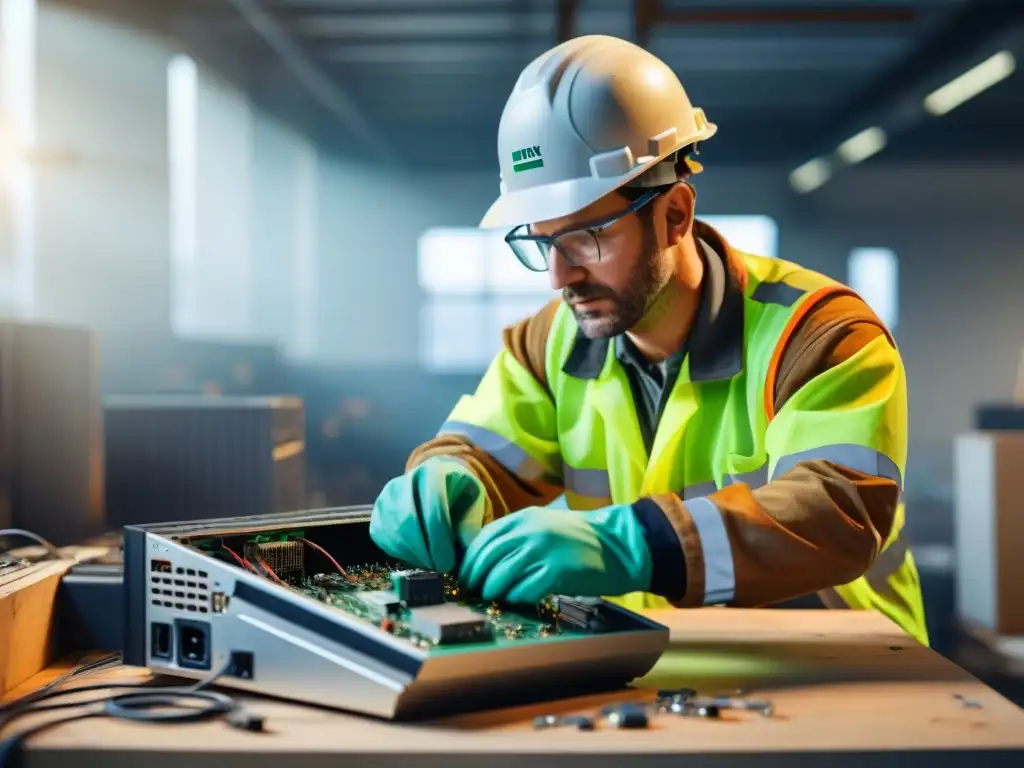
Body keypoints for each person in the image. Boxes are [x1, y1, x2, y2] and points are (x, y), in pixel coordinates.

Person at [370, 35, 928, 645]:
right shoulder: (549, 345)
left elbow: (836, 512)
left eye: (586, 237)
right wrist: (446, 478)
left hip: (848, 676)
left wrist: (638, 543)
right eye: (542, 242)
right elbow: (476, 456)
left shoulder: (821, 336)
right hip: (660, 668)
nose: (561, 276)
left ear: (675, 215)